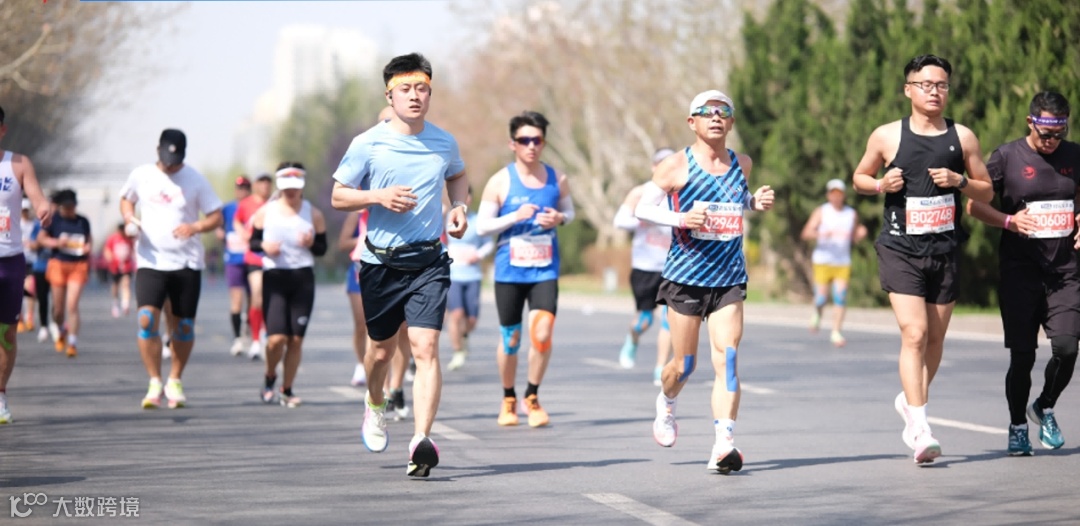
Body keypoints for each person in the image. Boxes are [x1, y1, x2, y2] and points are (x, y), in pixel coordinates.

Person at [331, 52, 469, 477]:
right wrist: (378, 196)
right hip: (381, 264)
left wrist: (459, 207)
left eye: (422, 88)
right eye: (405, 89)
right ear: (389, 95)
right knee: (380, 352)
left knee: (425, 348)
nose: (415, 96)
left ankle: (420, 440)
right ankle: (375, 404)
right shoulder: (368, 143)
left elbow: (458, 175)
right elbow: (339, 195)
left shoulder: (444, 142)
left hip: (429, 261)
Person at [851, 55, 993, 464]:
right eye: (926, 85)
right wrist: (881, 184)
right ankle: (920, 427)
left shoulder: (962, 137)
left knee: (935, 339)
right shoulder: (887, 136)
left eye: (941, 85)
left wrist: (961, 181)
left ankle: (910, 400)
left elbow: (986, 190)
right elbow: (859, 177)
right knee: (914, 333)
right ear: (908, 89)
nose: (934, 92)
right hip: (900, 248)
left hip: (944, 250)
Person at [635, 90, 774, 474]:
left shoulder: (741, 163)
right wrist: (681, 219)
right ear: (691, 122)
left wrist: (754, 202)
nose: (715, 117)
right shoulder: (675, 166)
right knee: (684, 366)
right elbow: (642, 209)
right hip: (686, 278)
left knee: (727, 358)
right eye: (706, 112)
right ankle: (666, 402)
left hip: (728, 278)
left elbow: (735, 200)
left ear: (731, 122)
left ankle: (723, 444)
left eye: (723, 111)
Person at [967, 91, 1080, 456]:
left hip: (1064, 271)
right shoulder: (1007, 157)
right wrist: (1009, 221)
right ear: (1031, 122)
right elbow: (974, 206)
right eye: (1046, 133)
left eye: (1059, 133)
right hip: (1020, 271)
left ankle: (1044, 405)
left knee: (1067, 347)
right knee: (1023, 356)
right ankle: (1018, 425)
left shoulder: (1074, 155)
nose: (1052, 141)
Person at [475, 111, 575, 428]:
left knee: (542, 334)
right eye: (524, 140)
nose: (531, 146)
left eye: (537, 140)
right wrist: (514, 216)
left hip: (544, 269)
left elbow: (569, 213)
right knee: (511, 339)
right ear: (513, 144)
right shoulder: (500, 181)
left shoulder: (557, 179)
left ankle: (532, 396)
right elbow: (482, 227)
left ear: (543, 143)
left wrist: (559, 218)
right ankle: (508, 398)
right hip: (509, 271)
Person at [120, 128, 223, 409]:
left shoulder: (196, 180)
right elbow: (126, 199)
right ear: (158, 151)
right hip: (151, 261)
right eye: (166, 159)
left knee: (184, 326)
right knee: (146, 320)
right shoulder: (141, 175)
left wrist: (196, 226)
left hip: (186, 263)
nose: (170, 165)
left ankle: (175, 378)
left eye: (175, 161)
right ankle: (154, 380)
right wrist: (129, 217)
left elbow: (216, 216)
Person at [252, 162, 327, 407]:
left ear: (302, 186)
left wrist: (311, 243)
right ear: (280, 186)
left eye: (295, 187)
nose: (291, 192)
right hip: (275, 278)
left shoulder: (313, 214)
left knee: (295, 340)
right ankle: (269, 376)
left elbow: (322, 248)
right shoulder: (266, 212)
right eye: (287, 187)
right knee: (276, 339)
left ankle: (287, 389)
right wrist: (264, 246)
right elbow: (253, 243)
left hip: (302, 279)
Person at [0, 106, 51, 423]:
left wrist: (44, 208)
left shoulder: (18, 164)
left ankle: (0, 394)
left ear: (2, 130)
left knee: (6, 333)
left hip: (10, 260)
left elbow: (37, 197)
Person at [615, 147, 676, 385]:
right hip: (644, 267)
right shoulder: (640, 192)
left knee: (669, 319)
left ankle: (660, 367)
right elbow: (620, 221)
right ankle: (633, 338)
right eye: (660, 163)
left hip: (672, 267)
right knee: (644, 320)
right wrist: (643, 221)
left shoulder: (681, 193)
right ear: (653, 167)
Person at [799, 179, 867, 347]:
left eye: (839, 194)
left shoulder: (851, 214)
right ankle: (817, 312)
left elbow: (854, 234)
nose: (836, 197)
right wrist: (821, 234)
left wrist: (861, 233)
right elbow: (806, 233)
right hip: (823, 260)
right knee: (821, 297)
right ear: (828, 195)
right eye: (833, 193)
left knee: (840, 297)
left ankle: (836, 332)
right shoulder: (822, 212)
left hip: (842, 262)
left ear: (843, 195)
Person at [38, 189, 92, 358]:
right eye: (67, 207)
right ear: (61, 207)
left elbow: (89, 239)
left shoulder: (83, 221)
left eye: (72, 206)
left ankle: (73, 342)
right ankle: (61, 328)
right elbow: (41, 239)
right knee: (58, 309)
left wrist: (88, 247)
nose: (70, 210)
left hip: (78, 265)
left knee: (72, 305)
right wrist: (56, 242)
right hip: (58, 264)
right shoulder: (54, 220)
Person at [445, 189, 493, 371]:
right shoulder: (447, 218)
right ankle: (457, 351)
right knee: (456, 314)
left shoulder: (478, 220)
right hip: (453, 275)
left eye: (467, 196)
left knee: (471, 320)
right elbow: (438, 240)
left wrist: (478, 255)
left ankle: (464, 336)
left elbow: (489, 243)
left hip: (473, 275)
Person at [235, 172, 272, 360]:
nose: (265, 186)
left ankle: (265, 333)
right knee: (256, 296)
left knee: (268, 299)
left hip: (273, 258)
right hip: (254, 256)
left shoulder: (275, 203)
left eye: (268, 183)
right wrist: (243, 233)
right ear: (256, 185)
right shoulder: (246, 204)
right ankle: (256, 340)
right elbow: (237, 220)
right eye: (261, 182)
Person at [219, 176, 252, 356]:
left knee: (254, 301)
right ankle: (238, 338)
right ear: (235, 190)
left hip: (252, 259)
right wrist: (219, 233)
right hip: (233, 260)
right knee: (237, 301)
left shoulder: (255, 207)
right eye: (240, 188)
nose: (242, 191)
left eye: (246, 188)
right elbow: (218, 226)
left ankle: (250, 330)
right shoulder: (228, 208)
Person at [339, 209, 370, 386]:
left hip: (385, 270)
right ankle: (360, 364)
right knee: (361, 323)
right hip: (359, 271)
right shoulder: (356, 214)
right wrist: (364, 239)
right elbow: (342, 243)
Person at [103, 223, 136, 318]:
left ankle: (125, 304)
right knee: (115, 286)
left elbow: (133, 251)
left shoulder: (129, 239)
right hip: (115, 267)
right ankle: (115, 303)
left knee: (126, 283)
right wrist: (110, 258)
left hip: (126, 266)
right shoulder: (112, 238)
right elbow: (107, 250)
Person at [17, 199, 37, 333]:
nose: (24, 213)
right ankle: (19, 318)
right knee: (17, 290)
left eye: (26, 210)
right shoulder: (15, 224)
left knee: (30, 289)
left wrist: (34, 244)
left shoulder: (34, 225)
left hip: (31, 260)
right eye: (23, 210)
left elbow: (38, 240)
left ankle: (30, 316)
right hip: (17, 258)